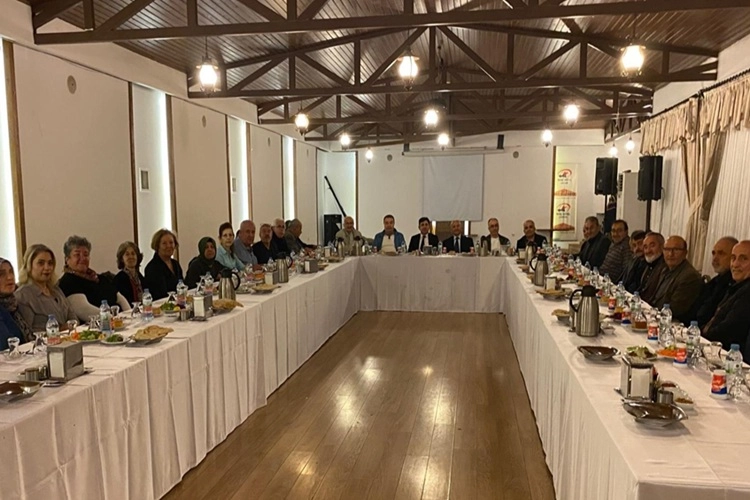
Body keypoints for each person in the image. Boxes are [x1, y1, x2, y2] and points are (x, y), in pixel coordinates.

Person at [57, 236, 130, 321]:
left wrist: (129, 316)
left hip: (120, 321)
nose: (82, 258)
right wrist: (114, 319)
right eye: (77, 255)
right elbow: (83, 310)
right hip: (100, 325)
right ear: (67, 259)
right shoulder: (68, 282)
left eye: (86, 254)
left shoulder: (98, 278)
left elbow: (120, 298)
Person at [703, 241, 750, 358]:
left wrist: (701, 335)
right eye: (733, 258)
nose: (735, 264)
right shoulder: (736, 286)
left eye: (743, 259)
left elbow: (729, 330)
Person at [16, 244, 77, 332]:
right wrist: (59, 330)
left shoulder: (56, 290)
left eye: (50, 263)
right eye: (41, 263)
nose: (47, 268)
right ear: (29, 266)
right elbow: (27, 332)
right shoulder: (23, 295)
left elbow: (73, 319)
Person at [650, 235, 703, 323]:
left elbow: (675, 309)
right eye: (667, 249)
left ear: (685, 253)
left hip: (672, 322)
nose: (670, 254)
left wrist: (651, 313)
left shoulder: (689, 276)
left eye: (676, 250)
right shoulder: (664, 269)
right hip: (657, 316)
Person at [693, 237, 738, 328]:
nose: (715, 258)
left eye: (721, 253)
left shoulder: (734, 284)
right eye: (713, 253)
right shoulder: (715, 281)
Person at [0, 258, 33, 348]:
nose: (10, 277)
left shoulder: (13, 304)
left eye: (11, 272)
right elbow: (6, 345)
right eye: (1, 274)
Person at [144, 229, 184, 300]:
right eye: (164, 243)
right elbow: (160, 295)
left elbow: (182, 286)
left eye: (171, 242)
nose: (168, 246)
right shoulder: (152, 268)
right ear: (157, 246)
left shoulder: (175, 264)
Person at [113, 241, 146, 307]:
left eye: (133, 254)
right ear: (122, 259)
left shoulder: (140, 277)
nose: (131, 257)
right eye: (127, 254)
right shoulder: (119, 279)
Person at [638, 232, 668, 305]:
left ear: (662, 246)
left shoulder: (666, 267)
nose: (648, 251)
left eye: (652, 246)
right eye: (645, 247)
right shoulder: (647, 263)